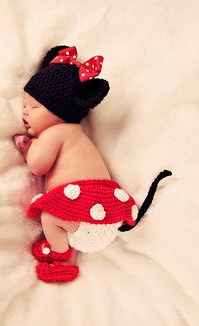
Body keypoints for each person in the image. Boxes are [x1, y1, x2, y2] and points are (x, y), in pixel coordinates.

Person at [14, 45, 171, 283]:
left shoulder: (57, 133)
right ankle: (62, 245)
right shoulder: (73, 135)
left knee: (49, 217)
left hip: (88, 208)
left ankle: (61, 257)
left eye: (34, 107)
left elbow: (37, 166)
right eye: (25, 105)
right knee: (58, 218)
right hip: (96, 212)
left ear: (59, 112)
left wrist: (29, 148)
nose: (25, 112)